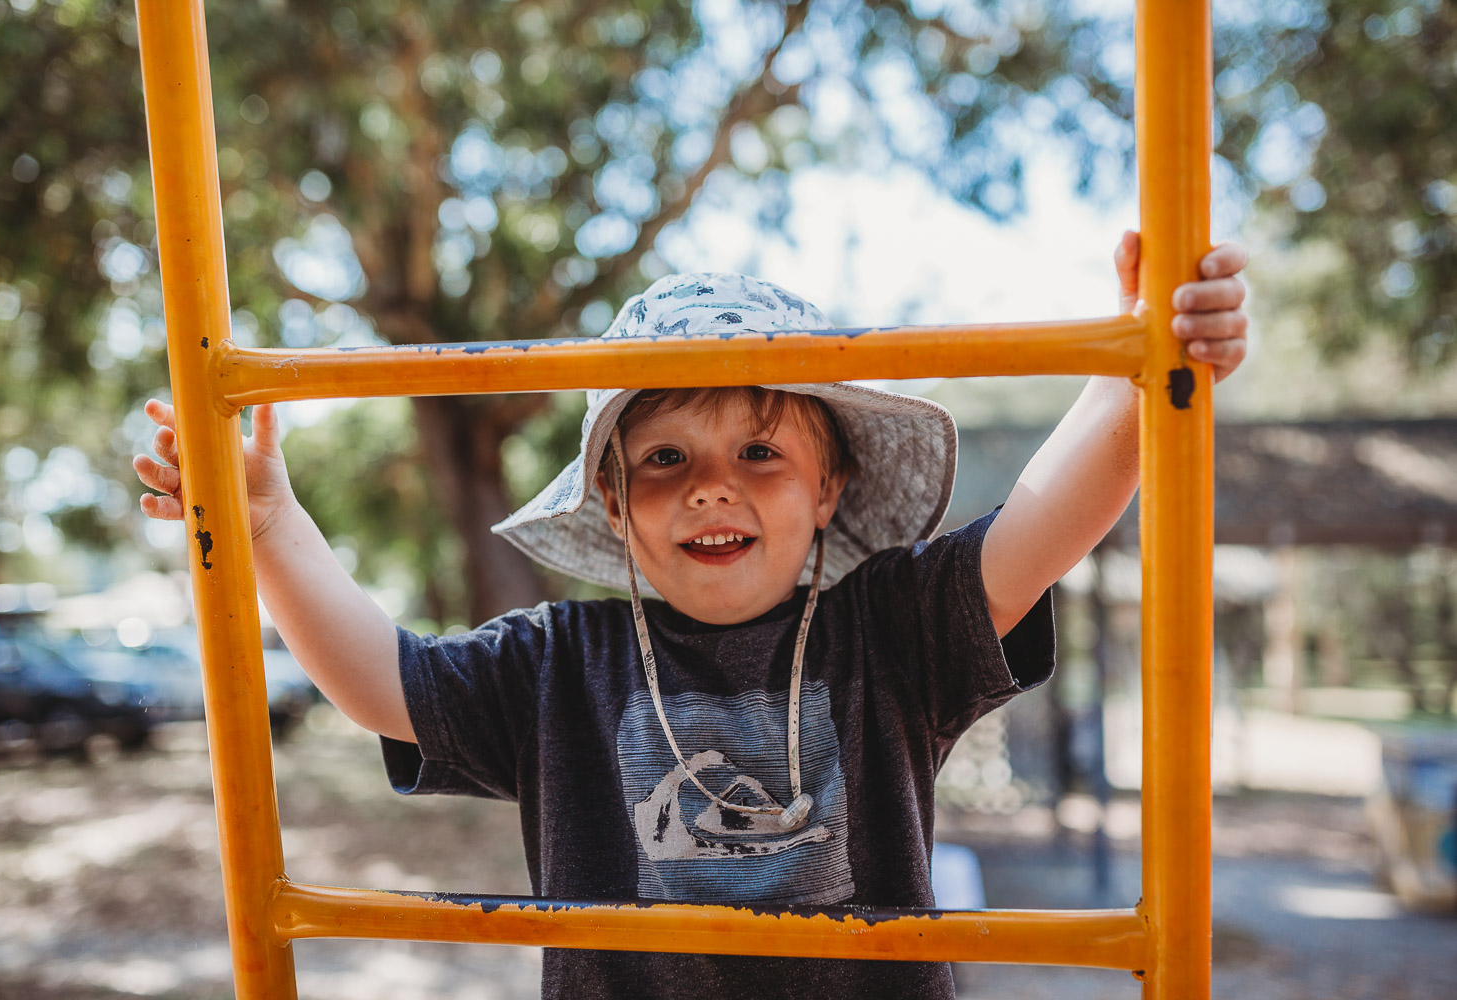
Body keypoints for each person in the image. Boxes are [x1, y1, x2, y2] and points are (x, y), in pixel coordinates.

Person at [135, 232, 1247, 999]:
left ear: (830, 488)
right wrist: (269, 521)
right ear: (613, 503)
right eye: (665, 457)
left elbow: (1047, 521)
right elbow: (382, 680)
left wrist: (1144, 367)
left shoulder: (891, 626)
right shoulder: (560, 660)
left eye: (759, 452)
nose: (711, 487)